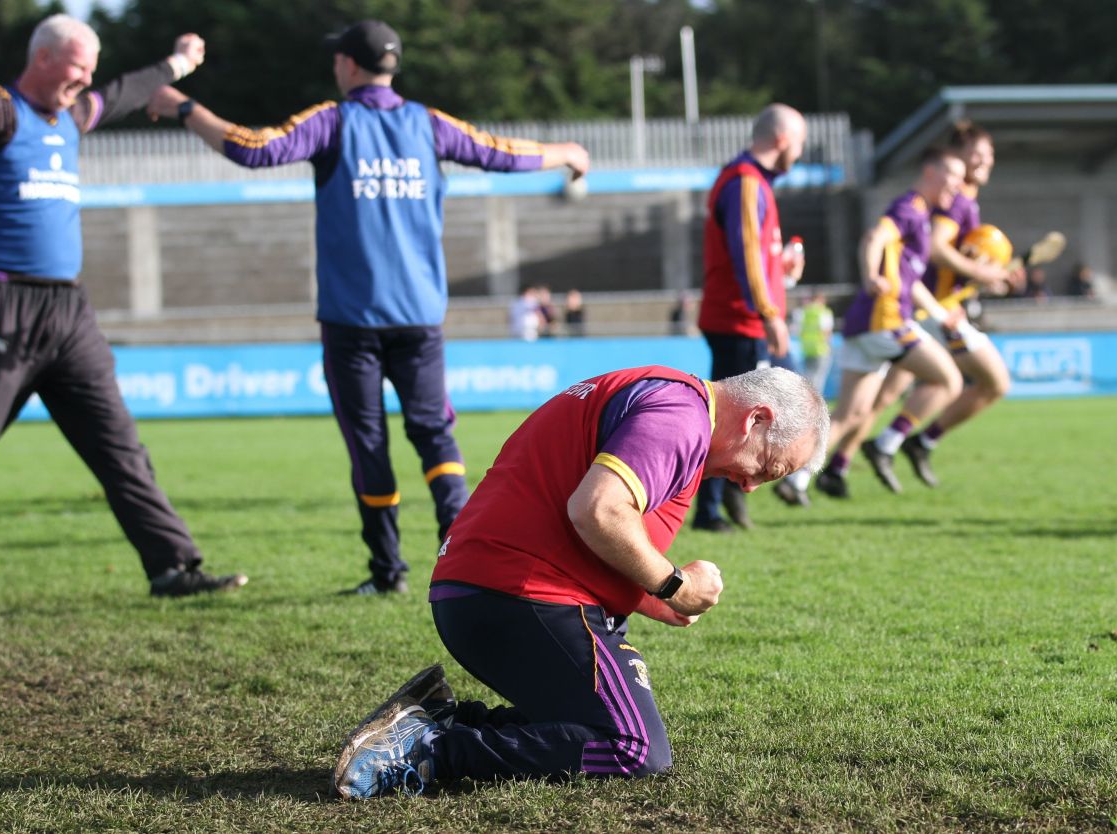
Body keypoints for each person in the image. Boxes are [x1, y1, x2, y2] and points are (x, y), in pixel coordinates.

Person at [146, 19, 590, 594]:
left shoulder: (332, 121)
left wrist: (182, 105)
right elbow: (503, 152)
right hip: (420, 316)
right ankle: (464, 553)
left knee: (369, 442)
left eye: (338, 59)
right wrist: (568, 152)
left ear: (348, 66)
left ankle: (387, 573)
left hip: (352, 321)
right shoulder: (429, 124)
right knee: (435, 434)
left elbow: (251, 149)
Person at [329, 365, 830, 799]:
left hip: (490, 589)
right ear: (756, 418)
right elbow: (597, 510)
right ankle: (431, 751)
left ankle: (441, 721)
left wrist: (657, 598)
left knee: (595, 727)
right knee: (635, 749)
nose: (748, 484)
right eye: (766, 468)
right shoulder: (682, 416)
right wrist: (674, 583)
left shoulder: (669, 398)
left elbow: (590, 525)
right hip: (519, 595)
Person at [0, 14, 245, 598]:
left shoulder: (73, 117)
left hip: (70, 315)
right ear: (43, 57)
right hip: (2, 306)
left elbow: (127, 91)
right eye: (78, 67)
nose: (85, 80)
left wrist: (178, 64)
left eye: (89, 71)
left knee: (120, 446)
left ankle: (174, 567)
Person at [821, 123, 1022, 498]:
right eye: (977, 155)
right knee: (988, 381)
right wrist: (979, 270)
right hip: (927, 310)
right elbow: (937, 251)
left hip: (932, 307)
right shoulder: (954, 200)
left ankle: (843, 463)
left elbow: (957, 258)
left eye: (989, 156)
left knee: (883, 396)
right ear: (954, 160)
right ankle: (906, 443)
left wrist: (988, 273)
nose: (985, 162)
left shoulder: (962, 199)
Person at [806, 145, 966, 501]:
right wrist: (870, 274)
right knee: (948, 379)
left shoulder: (922, 215)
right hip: (886, 320)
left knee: (853, 413)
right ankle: (889, 443)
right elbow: (873, 238)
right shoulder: (908, 208)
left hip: (870, 324)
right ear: (929, 171)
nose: (957, 187)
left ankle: (797, 476)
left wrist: (941, 315)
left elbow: (912, 282)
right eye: (952, 177)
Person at [693, 103, 807, 531]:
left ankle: (732, 498)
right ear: (781, 139)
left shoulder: (752, 181)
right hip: (739, 319)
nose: (800, 151)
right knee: (730, 420)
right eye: (799, 141)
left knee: (752, 414)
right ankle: (710, 508)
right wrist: (770, 312)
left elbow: (756, 255)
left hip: (746, 318)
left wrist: (781, 270)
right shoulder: (744, 181)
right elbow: (744, 255)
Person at [773, 289, 833, 506]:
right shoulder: (823, 312)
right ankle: (798, 476)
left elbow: (795, 327)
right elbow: (826, 331)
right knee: (816, 396)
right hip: (819, 351)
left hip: (807, 351)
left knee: (808, 389)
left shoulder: (805, 311)